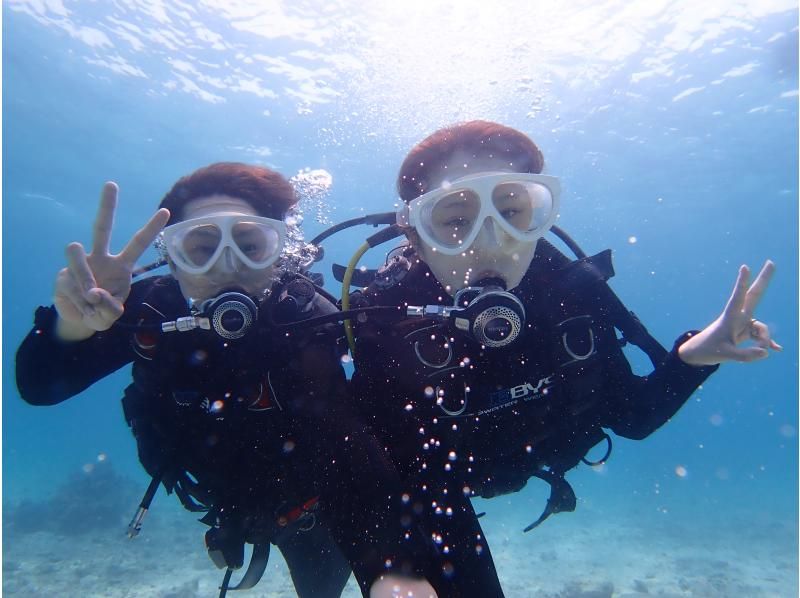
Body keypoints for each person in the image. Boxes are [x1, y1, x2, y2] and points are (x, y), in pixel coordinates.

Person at [345, 121, 781, 596]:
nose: (492, 240)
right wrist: (391, 570)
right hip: (440, 492)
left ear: (541, 214)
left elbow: (632, 416)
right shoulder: (389, 323)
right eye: (453, 221)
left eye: (513, 210)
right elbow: (363, 470)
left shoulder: (572, 299)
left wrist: (695, 356)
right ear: (414, 233)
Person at [15, 163, 441, 598]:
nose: (227, 267)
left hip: (308, 512)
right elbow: (39, 386)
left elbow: (357, 459)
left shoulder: (308, 322)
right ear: (172, 258)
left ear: (279, 251)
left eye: (250, 245)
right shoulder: (143, 312)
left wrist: (392, 575)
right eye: (201, 248)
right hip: (219, 500)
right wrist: (72, 328)